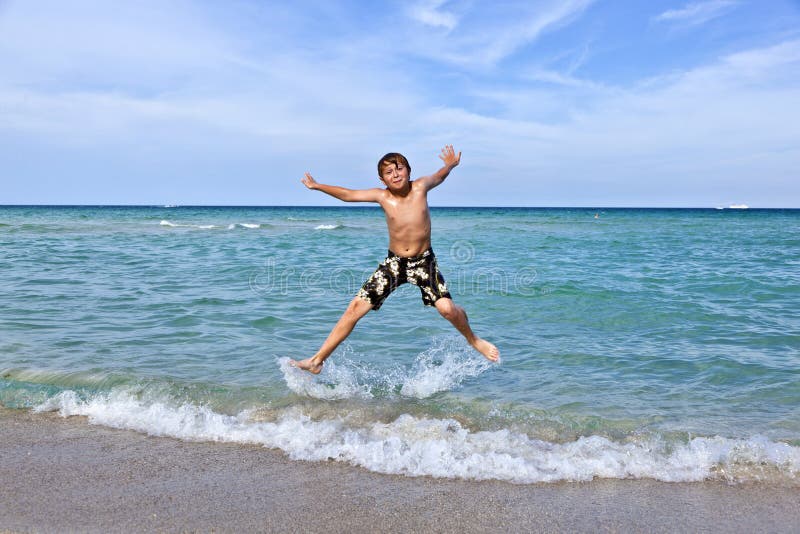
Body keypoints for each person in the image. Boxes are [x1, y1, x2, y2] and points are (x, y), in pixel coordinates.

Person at [290, 145, 499, 374]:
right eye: (389, 172)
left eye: (399, 169)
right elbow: (348, 195)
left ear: (409, 171)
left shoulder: (420, 187)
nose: (395, 174)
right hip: (394, 264)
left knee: (447, 309)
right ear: (382, 179)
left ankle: (474, 340)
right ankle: (317, 360)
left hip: (423, 263)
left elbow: (439, 176)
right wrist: (317, 186)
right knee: (355, 308)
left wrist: (450, 164)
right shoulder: (382, 196)